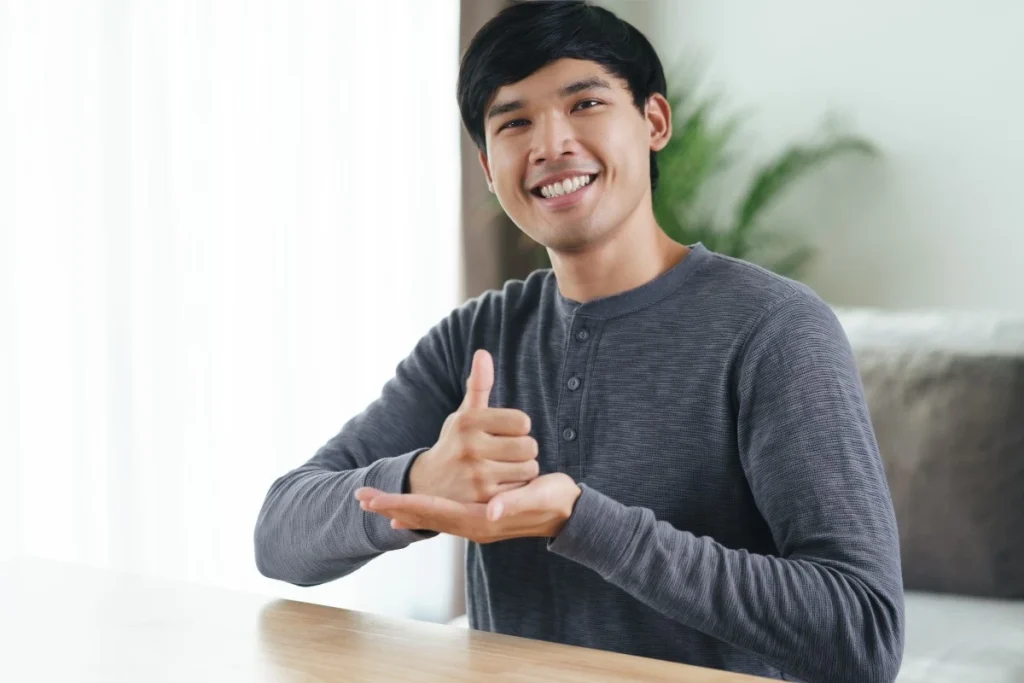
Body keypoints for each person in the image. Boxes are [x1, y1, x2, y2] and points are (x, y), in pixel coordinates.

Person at [254, 2, 905, 681]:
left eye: (585, 103)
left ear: (654, 122)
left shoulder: (775, 329)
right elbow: (279, 537)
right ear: (487, 166)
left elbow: (862, 632)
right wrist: (421, 479)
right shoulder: (477, 336)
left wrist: (583, 519)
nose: (550, 143)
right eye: (514, 122)